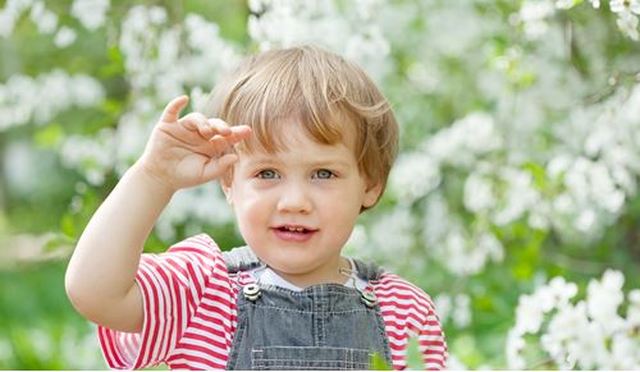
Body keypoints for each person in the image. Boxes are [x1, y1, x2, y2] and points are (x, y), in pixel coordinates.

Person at [65, 45, 447, 370]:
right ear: (230, 183)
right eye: (267, 173)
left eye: (324, 174)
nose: (294, 202)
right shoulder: (201, 291)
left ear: (371, 185)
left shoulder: (404, 312)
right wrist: (153, 178)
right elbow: (94, 292)